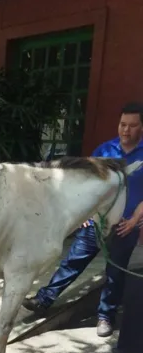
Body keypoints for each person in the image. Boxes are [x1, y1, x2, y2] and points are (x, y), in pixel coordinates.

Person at [23, 102, 143, 337]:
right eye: (122, 124)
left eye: (132, 125)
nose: (125, 130)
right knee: (72, 262)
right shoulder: (104, 151)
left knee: (114, 274)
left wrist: (136, 219)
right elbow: (87, 187)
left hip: (125, 227)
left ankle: (105, 316)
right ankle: (44, 299)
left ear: (142, 127)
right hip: (96, 223)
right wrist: (85, 215)